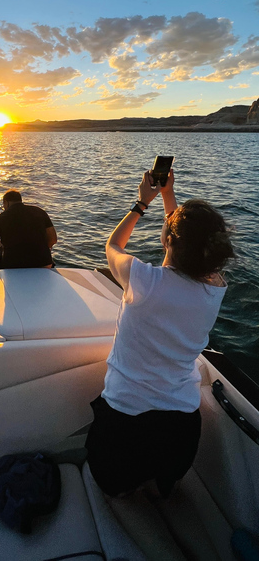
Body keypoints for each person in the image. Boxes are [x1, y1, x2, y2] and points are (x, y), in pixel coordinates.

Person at [86, 168, 234, 500]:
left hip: (124, 428)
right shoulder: (215, 288)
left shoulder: (142, 280)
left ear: (168, 238)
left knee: (113, 490)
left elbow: (112, 245)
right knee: (162, 489)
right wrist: (169, 198)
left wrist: (142, 203)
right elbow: (187, 245)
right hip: (180, 434)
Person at [0, 189, 57, 270]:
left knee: (0, 244)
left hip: (12, 266)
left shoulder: (0, 218)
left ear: (6, 202)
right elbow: (53, 239)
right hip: (44, 264)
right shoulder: (40, 212)